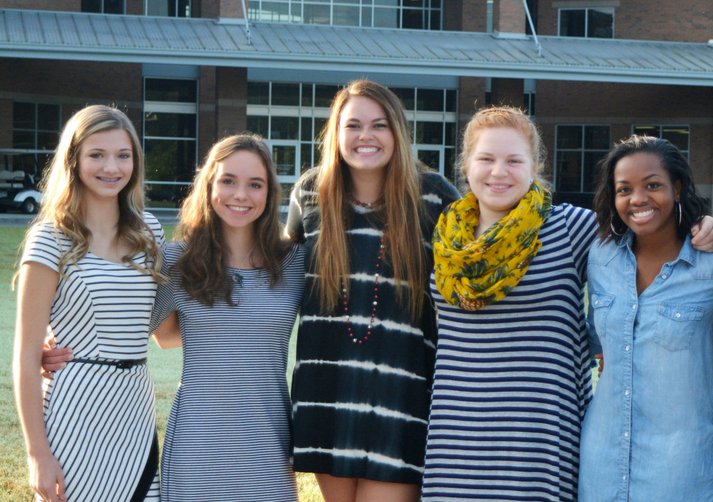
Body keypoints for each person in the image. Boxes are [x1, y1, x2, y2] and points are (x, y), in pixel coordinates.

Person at [422, 106, 713, 500]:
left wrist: (712, 226)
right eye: (486, 159)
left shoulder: (568, 227)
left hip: (539, 442)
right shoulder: (444, 238)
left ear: (535, 167)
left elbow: (643, 227)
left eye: (514, 160)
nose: (499, 172)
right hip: (456, 436)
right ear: (466, 166)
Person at [287, 80, 459, 502]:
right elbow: (277, 279)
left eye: (379, 125)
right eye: (354, 125)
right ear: (336, 133)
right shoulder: (311, 192)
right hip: (327, 390)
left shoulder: (435, 197)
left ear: (397, 132)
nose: (366, 136)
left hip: (403, 396)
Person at [13, 105, 163, 502]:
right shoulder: (50, 238)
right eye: (97, 154)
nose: (111, 167)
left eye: (123, 155)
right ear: (74, 160)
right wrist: (37, 453)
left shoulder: (151, 232)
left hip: (134, 409)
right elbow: (27, 355)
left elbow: (164, 329)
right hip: (75, 409)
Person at [147, 134, 304, 501]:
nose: (240, 195)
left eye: (255, 184)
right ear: (209, 185)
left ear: (269, 193)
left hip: (269, 440)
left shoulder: (294, 262)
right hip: (197, 440)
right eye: (228, 181)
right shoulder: (178, 261)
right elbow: (164, 336)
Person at [577, 136, 713, 501]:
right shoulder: (601, 258)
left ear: (677, 188)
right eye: (624, 189)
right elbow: (601, 344)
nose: (638, 199)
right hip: (601, 464)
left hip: (680, 471)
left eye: (653, 185)